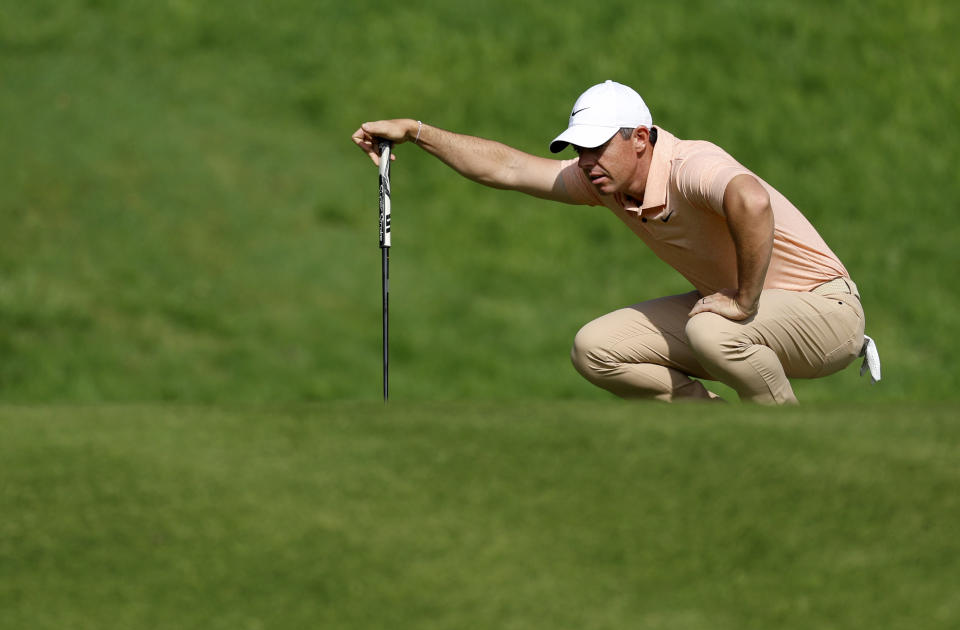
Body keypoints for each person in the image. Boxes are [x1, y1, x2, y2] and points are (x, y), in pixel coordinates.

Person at [351, 80, 879, 404]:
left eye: (596, 147)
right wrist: (418, 131)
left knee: (713, 329)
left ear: (641, 139)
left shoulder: (690, 165)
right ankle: (719, 439)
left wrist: (744, 300)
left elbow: (751, 200)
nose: (585, 161)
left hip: (827, 311)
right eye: (578, 150)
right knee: (597, 349)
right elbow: (508, 168)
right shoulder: (604, 183)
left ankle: (784, 447)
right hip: (743, 319)